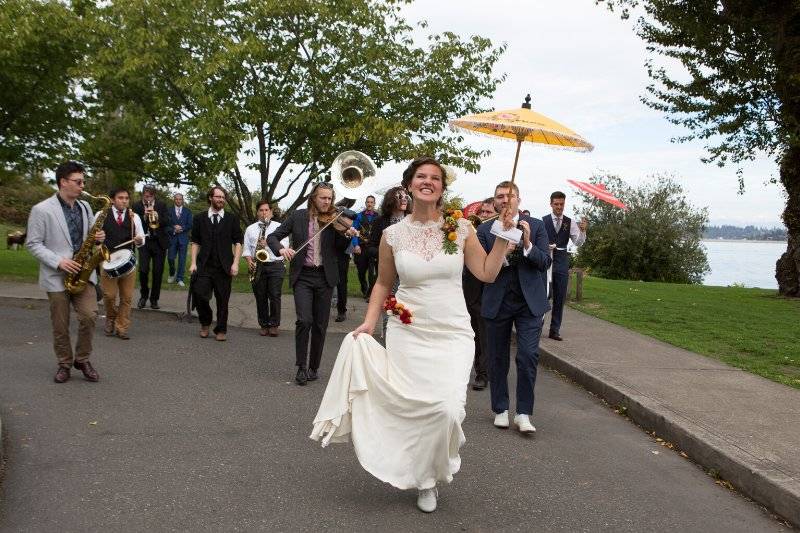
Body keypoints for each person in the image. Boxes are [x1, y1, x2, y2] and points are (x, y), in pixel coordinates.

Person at [310, 157, 512, 513]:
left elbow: (486, 273)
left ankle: (432, 471)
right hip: (408, 331)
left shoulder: (461, 227)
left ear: (442, 188)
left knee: (448, 408)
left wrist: (503, 237)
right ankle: (426, 480)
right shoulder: (392, 235)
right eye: (422, 176)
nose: (428, 182)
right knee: (417, 407)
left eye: (435, 178)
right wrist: (369, 324)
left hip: (452, 332)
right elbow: (383, 284)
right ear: (409, 184)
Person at [478, 180, 552, 435]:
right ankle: (500, 408)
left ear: (518, 200)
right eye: (499, 196)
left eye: (510, 196)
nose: (504, 200)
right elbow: (481, 268)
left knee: (528, 356)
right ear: (495, 201)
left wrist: (528, 244)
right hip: (498, 301)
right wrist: (504, 253)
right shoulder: (486, 229)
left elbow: (544, 262)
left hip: (529, 303)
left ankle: (523, 413)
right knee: (497, 357)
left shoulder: (538, 226)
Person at [267, 183, 358, 385]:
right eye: (323, 198)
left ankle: (314, 366)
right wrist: (281, 249)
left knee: (320, 324)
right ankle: (301, 366)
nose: (327, 202)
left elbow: (338, 248)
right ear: (313, 198)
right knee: (304, 320)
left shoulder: (335, 219)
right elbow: (272, 237)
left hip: (325, 277)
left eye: (329, 198)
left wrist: (348, 236)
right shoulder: (297, 216)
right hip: (304, 276)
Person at [26, 161, 106, 383]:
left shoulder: (85, 207)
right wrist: (58, 261)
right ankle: (64, 363)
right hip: (56, 274)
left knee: (90, 315)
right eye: (78, 182)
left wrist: (99, 237)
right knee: (60, 324)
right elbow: (33, 244)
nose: (82, 186)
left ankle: (82, 359)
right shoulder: (41, 210)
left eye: (83, 182)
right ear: (63, 182)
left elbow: (91, 236)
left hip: (83, 272)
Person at [189, 186, 243, 341]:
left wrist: (236, 263)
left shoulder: (232, 219)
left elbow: (238, 242)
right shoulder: (199, 218)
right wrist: (193, 263)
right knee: (200, 295)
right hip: (204, 265)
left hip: (224, 267)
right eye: (218, 197)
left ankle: (221, 329)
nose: (221, 200)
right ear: (210, 198)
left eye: (223, 197)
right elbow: (195, 242)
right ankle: (205, 322)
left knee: (222, 300)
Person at [98, 187, 145, 340]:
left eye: (126, 198)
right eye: (120, 198)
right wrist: (98, 238)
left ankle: (122, 326)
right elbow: (92, 236)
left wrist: (139, 240)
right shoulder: (101, 215)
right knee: (109, 295)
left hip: (128, 263)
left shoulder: (134, 217)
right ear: (112, 199)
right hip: (108, 261)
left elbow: (141, 238)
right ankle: (111, 318)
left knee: (127, 297)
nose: (124, 201)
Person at [542, 191, 587, 341]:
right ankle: (537, 326)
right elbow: (538, 241)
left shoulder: (570, 222)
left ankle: (554, 330)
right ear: (551, 204)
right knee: (543, 295)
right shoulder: (543, 221)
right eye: (556, 204)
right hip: (546, 261)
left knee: (560, 297)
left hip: (561, 261)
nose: (559, 207)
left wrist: (583, 230)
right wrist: (546, 246)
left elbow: (578, 242)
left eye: (561, 204)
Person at [463, 198, 496, 391]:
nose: (483, 215)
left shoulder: (499, 232)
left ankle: (484, 373)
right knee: (475, 331)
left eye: (487, 212)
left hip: (491, 288)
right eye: (482, 212)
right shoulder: (473, 231)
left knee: (486, 332)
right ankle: (480, 370)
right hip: (472, 287)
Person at [243, 200, 287, 337]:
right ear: (257, 213)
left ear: (271, 212)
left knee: (275, 296)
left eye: (266, 210)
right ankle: (263, 324)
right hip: (258, 265)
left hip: (275, 265)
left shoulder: (280, 227)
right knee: (260, 296)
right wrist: (249, 260)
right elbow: (246, 249)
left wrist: (267, 243)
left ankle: (274, 325)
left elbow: (284, 246)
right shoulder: (250, 229)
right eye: (261, 210)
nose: (264, 213)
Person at [133, 184, 170, 309]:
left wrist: (157, 217)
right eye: (146, 195)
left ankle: (154, 299)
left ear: (155, 195)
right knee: (143, 270)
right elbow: (133, 223)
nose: (148, 198)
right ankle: (143, 296)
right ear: (143, 194)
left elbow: (167, 221)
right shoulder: (136, 206)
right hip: (144, 241)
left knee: (157, 272)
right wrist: (144, 217)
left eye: (151, 195)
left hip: (159, 242)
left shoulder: (161, 205)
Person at [351, 195, 379, 299]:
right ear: (365, 203)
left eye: (372, 202)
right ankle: (364, 289)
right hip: (361, 248)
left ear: (374, 204)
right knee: (361, 272)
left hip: (373, 249)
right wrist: (356, 245)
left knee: (372, 273)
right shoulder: (358, 216)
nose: (369, 204)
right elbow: (354, 231)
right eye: (368, 202)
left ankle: (370, 294)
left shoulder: (378, 216)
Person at [167, 192, 193, 287]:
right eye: (176, 199)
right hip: (172, 238)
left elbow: (190, 224)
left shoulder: (188, 211)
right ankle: (172, 273)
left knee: (182, 259)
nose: (178, 200)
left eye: (180, 199)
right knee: (170, 258)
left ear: (182, 200)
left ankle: (180, 278)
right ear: (174, 200)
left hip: (183, 238)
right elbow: (166, 225)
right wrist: (174, 228)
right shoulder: (169, 211)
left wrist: (181, 228)